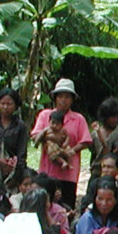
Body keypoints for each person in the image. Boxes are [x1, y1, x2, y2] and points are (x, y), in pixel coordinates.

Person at [31, 78, 91, 209]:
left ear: (72, 99)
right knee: (43, 206)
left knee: (66, 208)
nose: (63, 100)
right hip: (47, 171)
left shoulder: (78, 119)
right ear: (55, 98)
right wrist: (51, 139)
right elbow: (35, 135)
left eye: (67, 97)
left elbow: (86, 141)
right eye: (60, 96)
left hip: (68, 174)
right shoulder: (45, 115)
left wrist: (70, 151)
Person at [87, 96, 118, 186]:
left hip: (116, 173)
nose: (116, 120)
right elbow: (93, 155)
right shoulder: (94, 135)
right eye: (113, 117)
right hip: (97, 172)